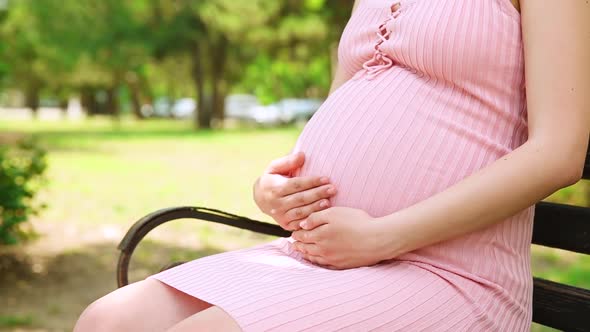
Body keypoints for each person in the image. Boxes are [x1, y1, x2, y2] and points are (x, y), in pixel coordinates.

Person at [74, 0, 590, 331]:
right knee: (107, 321)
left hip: (451, 275)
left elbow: (559, 151)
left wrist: (383, 236)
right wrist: (276, 186)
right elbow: (341, 108)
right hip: (324, 260)